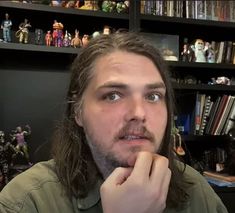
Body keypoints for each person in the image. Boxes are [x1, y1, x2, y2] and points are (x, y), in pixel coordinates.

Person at [0, 32, 228, 213]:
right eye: (113, 95)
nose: (138, 113)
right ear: (77, 111)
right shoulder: (25, 202)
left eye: (153, 96)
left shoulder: (196, 190)